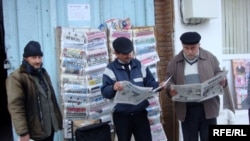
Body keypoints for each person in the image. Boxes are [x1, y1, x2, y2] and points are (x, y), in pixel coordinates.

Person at [165, 32, 227, 141]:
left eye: (193, 48)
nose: (189, 51)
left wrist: (222, 81)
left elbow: (218, 72)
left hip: (208, 107)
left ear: (199, 45)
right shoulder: (174, 62)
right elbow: (169, 80)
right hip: (187, 110)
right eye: (186, 48)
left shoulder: (210, 57)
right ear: (182, 46)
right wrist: (170, 89)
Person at [101, 37, 164, 141]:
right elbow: (105, 92)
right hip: (122, 116)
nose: (128, 55)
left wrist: (159, 85)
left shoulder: (139, 65)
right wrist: (113, 87)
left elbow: (149, 83)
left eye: (130, 52)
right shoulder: (110, 69)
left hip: (140, 114)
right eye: (125, 53)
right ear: (116, 53)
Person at [6, 41, 63, 141]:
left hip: (49, 129)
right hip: (34, 132)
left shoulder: (43, 73)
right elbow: (16, 107)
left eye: (39, 57)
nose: (38, 61)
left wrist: (57, 121)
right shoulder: (17, 78)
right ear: (25, 59)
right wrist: (23, 133)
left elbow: (51, 99)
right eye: (34, 57)